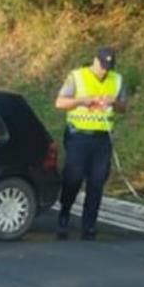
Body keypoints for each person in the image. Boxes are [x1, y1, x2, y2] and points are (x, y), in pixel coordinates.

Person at [54, 45, 127, 241]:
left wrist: (113, 102)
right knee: (74, 178)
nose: (105, 70)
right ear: (95, 60)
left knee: (97, 182)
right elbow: (60, 102)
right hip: (78, 136)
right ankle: (64, 214)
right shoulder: (77, 76)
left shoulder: (117, 79)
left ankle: (89, 225)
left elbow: (123, 107)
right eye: (102, 66)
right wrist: (81, 101)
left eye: (108, 67)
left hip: (102, 138)